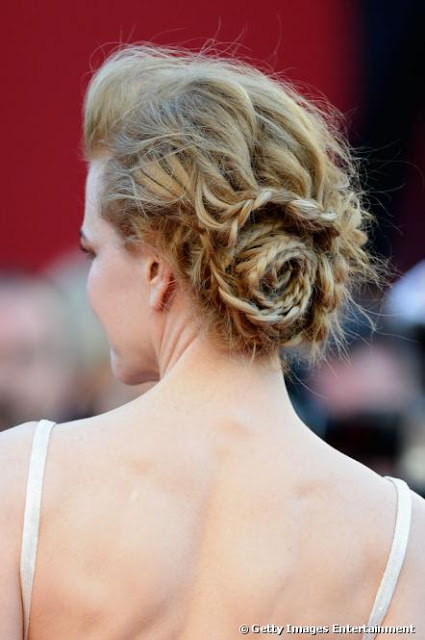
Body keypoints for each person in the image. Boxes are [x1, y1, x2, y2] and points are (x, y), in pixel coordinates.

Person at [1, 44, 424, 639]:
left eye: (90, 251)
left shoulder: (23, 484)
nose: (88, 284)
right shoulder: (399, 537)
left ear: (155, 270)